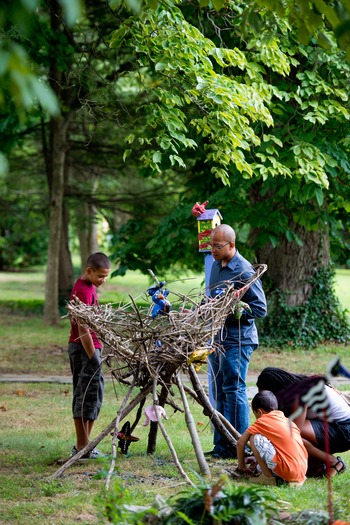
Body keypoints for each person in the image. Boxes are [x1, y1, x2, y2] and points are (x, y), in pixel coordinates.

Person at [206, 224, 267, 459]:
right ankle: (222, 446)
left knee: (235, 389)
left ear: (232, 245)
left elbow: (260, 308)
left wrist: (237, 309)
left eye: (217, 246)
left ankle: (240, 447)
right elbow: (213, 299)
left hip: (238, 340)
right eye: (211, 245)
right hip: (218, 339)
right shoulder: (215, 265)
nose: (213, 250)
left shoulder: (244, 270)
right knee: (220, 391)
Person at [256, 367, 349, 477]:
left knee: (291, 434)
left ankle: (333, 462)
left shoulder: (299, 394)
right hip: (335, 427)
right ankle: (318, 466)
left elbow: (293, 433)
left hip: (344, 430)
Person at [68, 252, 111, 459]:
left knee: (93, 395)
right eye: (100, 276)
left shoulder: (89, 287)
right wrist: (93, 356)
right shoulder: (83, 291)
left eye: (105, 277)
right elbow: (83, 329)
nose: (102, 281)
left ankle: (85, 447)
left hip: (91, 348)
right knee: (84, 395)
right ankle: (81, 447)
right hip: (84, 350)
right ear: (89, 271)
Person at [236, 390, 308, 486]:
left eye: (255, 414)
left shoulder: (262, 421)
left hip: (288, 470)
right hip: (302, 471)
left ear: (259, 412)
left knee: (254, 437)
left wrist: (242, 467)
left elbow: (240, 443)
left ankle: (267, 477)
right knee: (259, 466)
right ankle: (286, 478)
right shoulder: (288, 421)